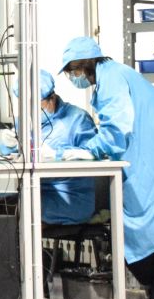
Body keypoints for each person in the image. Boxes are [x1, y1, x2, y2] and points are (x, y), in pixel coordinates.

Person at [59, 36, 154, 299]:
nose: (73, 77)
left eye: (73, 71)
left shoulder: (111, 79)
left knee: (147, 236)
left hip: (149, 166)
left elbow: (118, 125)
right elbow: (151, 109)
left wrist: (92, 150)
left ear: (83, 65)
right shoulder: (124, 74)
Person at [16, 69, 97, 225]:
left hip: (71, 199)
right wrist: (8, 145)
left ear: (52, 98)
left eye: (37, 107)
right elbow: (12, 157)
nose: (31, 112)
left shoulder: (77, 119)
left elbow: (93, 155)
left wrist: (58, 155)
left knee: (18, 216)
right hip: (34, 193)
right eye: (26, 106)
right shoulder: (24, 121)